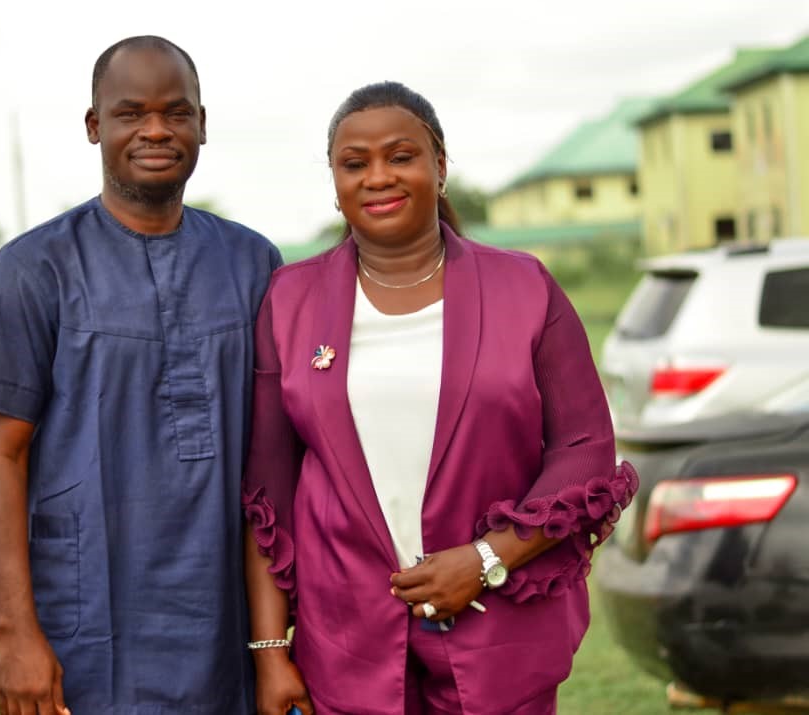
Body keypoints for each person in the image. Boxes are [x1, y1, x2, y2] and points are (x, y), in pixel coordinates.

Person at [242, 81, 638, 715]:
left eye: (400, 156)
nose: (378, 177)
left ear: (440, 166)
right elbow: (269, 490)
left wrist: (486, 558)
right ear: (336, 179)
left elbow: (586, 450)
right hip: (346, 645)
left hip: (498, 636)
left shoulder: (524, 287)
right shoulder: (290, 301)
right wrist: (268, 650)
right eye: (355, 163)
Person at [0, 35, 282, 714]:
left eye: (177, 111)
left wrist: (272, 645)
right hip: (90, 631)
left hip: (226, 628)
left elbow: (277, 464)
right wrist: (16, 638)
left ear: (202, 123)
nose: (157, 130)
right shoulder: (32, 271)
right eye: (132, 112)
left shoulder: (254, 265)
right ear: (94, 125)